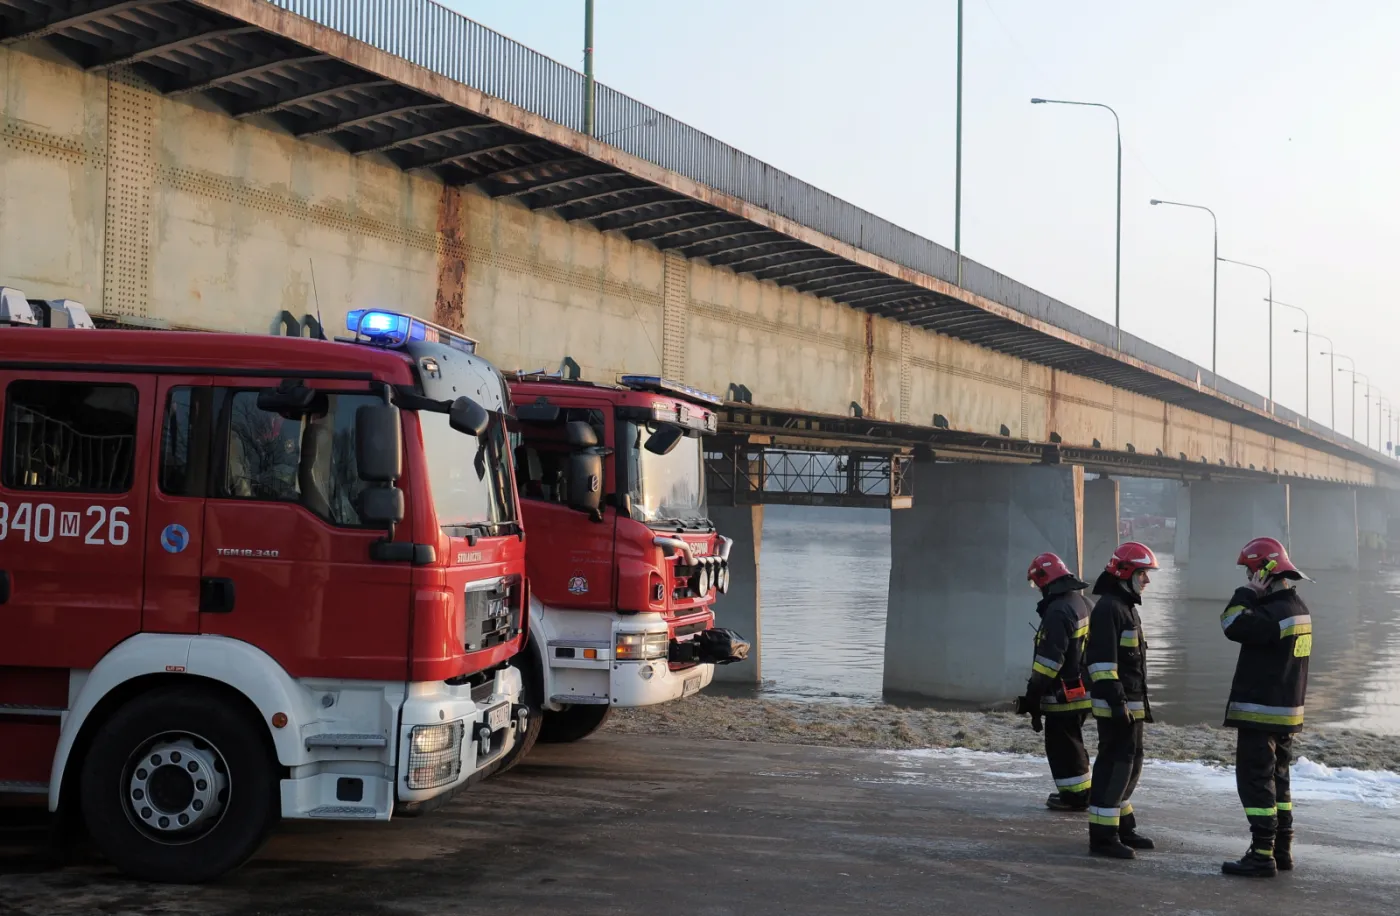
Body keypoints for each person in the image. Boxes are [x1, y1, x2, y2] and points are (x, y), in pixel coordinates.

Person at [1219, 537, 1312, 878]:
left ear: (1264, 573)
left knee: (1256, 782)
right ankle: (1282, 849)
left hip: (1260, 712)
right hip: (1286, 712)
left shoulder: (1271, 613)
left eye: (1249, 571)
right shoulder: (1298, 607)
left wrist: (1247, 594)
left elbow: (1230, 623)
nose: (1247, 576)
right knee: (1280, 782)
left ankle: (1261, 855)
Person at [1084, 541, 1159, 859]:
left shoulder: (1125, 607)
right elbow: (1102, 664)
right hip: (1117, 706)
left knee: (1131, 764)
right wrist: (1117, 704)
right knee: (1115, 766)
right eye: (1143, 573)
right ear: (1126, 572)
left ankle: (1122, 826)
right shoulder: (1109, 609)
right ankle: (1103, 837)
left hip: (1130, 705)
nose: (1147, 580)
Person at [1022, 552, 1094, 811]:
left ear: (1044, 580)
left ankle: (1075, 798)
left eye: (1036, 583)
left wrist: (1033, 696)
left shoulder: (1058, 611)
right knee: (1072, 741)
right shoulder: (1082, 602)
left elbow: (1049, 662)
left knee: (1063, 746)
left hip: (1064, 694)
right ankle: (1081, 793)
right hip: (1083, 688)